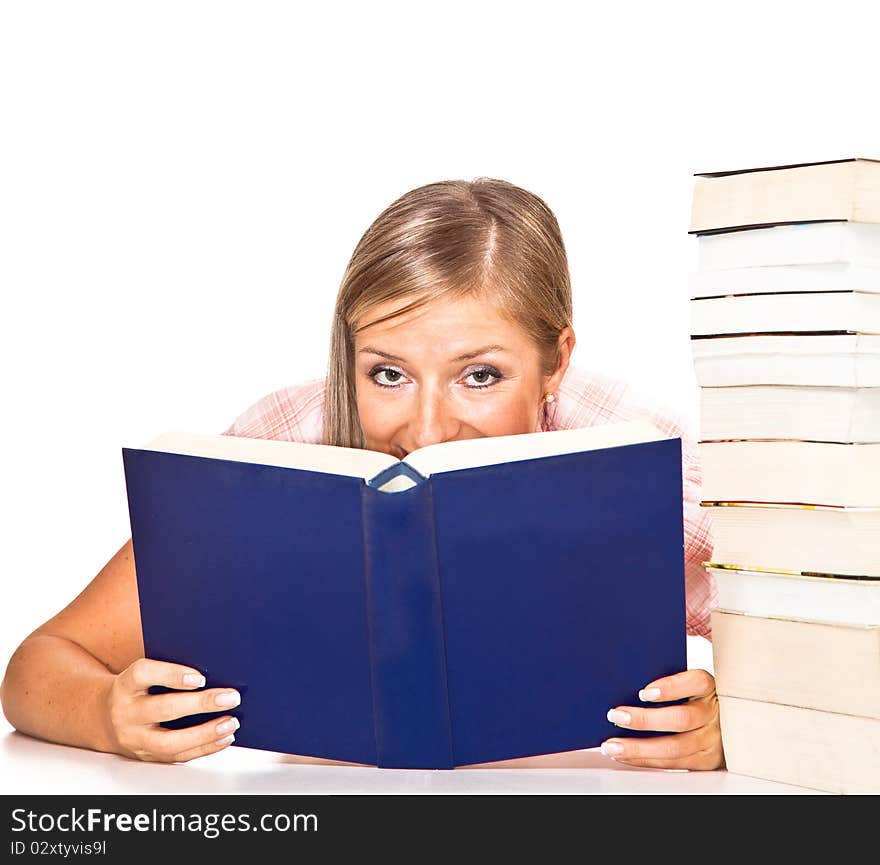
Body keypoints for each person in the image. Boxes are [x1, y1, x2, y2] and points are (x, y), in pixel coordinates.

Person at [0, 178, 722, 770]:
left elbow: (828, 671)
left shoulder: (644, 459)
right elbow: (37, 666)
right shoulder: (287, 443)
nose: (429, 428)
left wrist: (734, 727)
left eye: (480, 374)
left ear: (556, 360)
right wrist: (106, 713)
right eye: (387, 372)